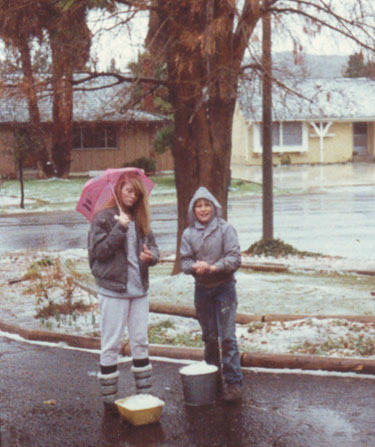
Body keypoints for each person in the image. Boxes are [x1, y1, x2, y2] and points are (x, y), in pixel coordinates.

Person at [88, 172, 159, 409]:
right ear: (118, 190)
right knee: (111, 343)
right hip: (113, 291)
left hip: (139, 290)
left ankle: (144, 395)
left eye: (136, 192)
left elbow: (155, 249)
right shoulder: (103, 218)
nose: (132, 196)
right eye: (128, 190)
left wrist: (151, 257)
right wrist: (119, 228)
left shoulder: (140, 218)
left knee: (140, 341)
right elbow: (98, 253)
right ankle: (109, 400)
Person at [180, 186, 243, 402]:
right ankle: (212, 379)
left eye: (207, 205)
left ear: (214, 207)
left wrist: (214, 267)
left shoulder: (226, 229)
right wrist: (194, 267)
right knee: (209, 338)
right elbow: (184, 261)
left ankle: (234, 384)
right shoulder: (188, 233)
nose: (203, 209)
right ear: (193, 210)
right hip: (202, 290)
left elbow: (235, 258)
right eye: (199, 206)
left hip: (224, 288)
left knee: (227, 337)